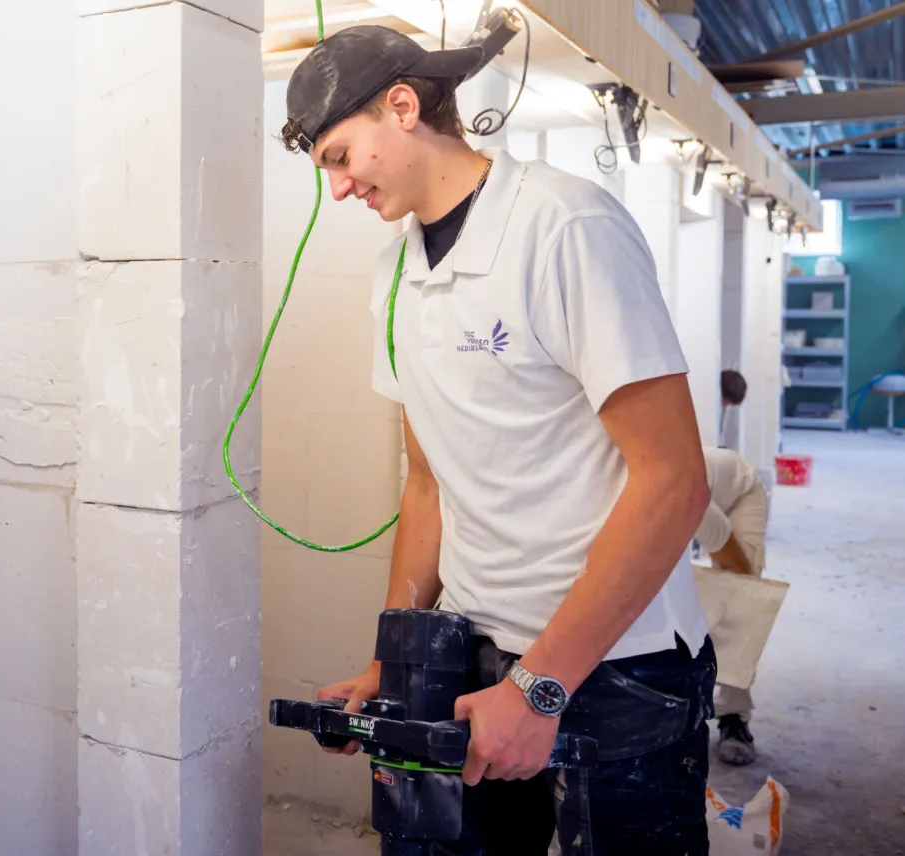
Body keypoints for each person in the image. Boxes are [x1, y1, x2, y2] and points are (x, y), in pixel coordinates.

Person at [283, 26, 716, 854]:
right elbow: (427, 483)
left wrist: (540, 688)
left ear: (402, 108)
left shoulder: (564, 225)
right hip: (473, 655)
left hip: (618, 667)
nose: (336, 188)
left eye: (340, 156)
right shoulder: (395, 274)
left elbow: (673, 481)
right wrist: (393, 661)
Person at [696, 445, 769, 766]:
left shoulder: (688, 496)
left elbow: (732, 562)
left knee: (741, 596)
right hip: (697, 492)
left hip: (740, 496)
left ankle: (734, 719)